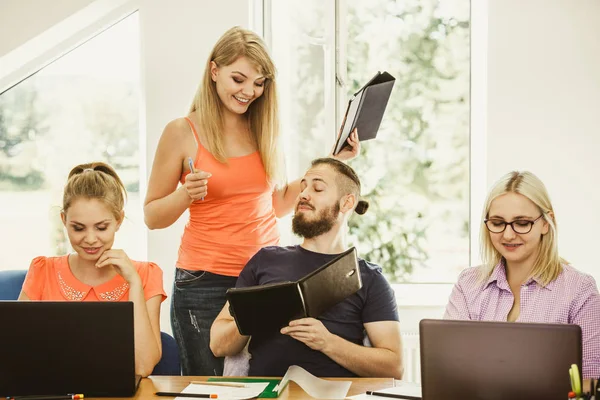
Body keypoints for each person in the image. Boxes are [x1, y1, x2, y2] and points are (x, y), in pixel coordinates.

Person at [143, 26, 359, 375]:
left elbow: (275, 205)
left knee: (263, 385)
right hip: (204, 283)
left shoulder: (264, 129)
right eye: (239, 79)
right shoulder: (182, 132)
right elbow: (152, 216)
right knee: (211, 391)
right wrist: (186, 194)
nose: (249, 92)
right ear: (214, 72)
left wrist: (335, 161)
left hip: (264, 279)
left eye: (258, 83)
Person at [210, 158, 402, 378]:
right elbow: (218, 345)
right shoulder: (265, 260)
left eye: (318, 188)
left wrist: (327, 342)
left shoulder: (368, 278)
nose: (303, 194)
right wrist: (255, 317)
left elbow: (394, 367)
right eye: (303, 187)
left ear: (347, 203)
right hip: (267, 393)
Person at [444, 171, 600, 379]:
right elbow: (449, 365)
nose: (508, 234)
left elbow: (591, 378)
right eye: (498, 223)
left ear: (546, 223)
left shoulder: (579, 289)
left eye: (522, 223)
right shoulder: (468, 283)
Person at [19, 162, 167, 377]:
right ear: (64, 220)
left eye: (101, 227)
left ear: (118, 220)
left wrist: (133, 284)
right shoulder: (43, 270)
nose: (90, 239)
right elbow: (17, 351)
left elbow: (143, 367)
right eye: (78, 228)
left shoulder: (146, 275)